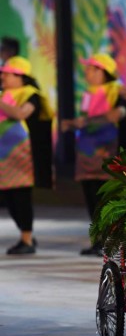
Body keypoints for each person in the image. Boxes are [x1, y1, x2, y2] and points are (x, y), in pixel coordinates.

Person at [61, 53, 126, 256]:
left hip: (106, 149)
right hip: (86, 150)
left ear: (102, 71)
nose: (87, 72)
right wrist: (73, 124)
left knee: (106, 197)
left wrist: (90, 122)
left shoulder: (116, 91)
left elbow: (120, 113)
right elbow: (85, 120)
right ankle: (98, 240)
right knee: (90, 195)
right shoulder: (88, 93)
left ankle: (111, 241)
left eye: (90, 68)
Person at [0, 56, 54, 254]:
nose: (3, 77)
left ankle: (27, 239)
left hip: (23, 155)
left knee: (21, 195)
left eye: (7, 73)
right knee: (8, 197)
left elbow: (22, 114)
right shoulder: (5, 94)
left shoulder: (31, 95)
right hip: (4, 155)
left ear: (21, 76)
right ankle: (26, 234)